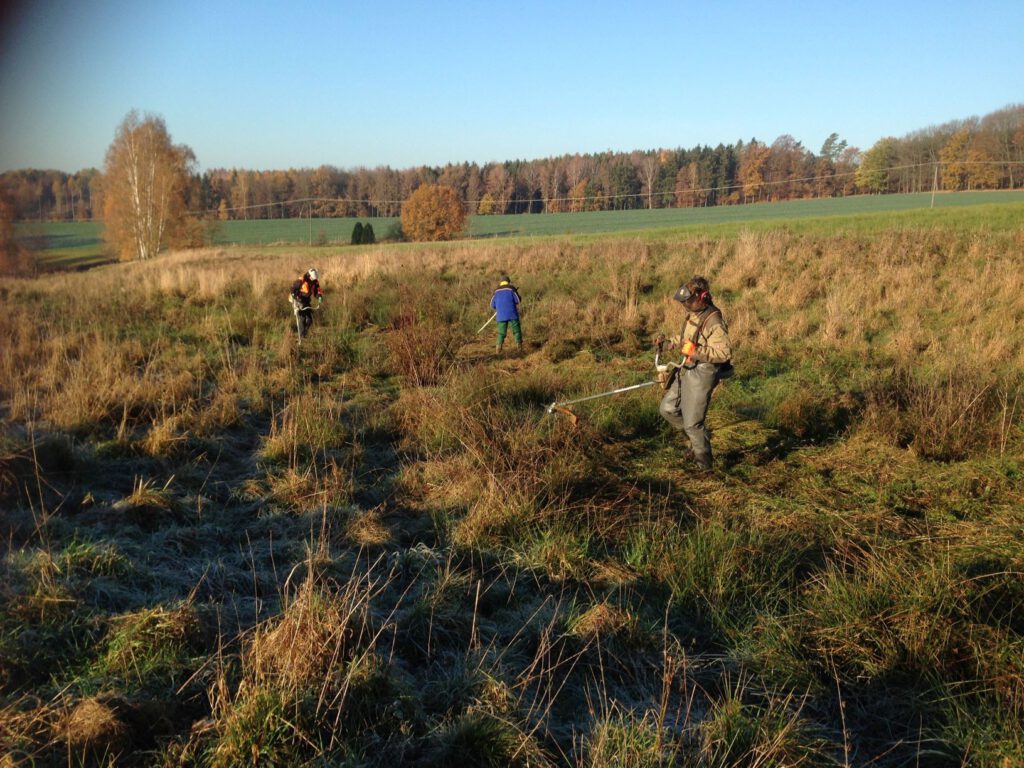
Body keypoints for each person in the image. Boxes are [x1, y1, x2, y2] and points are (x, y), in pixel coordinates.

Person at [656, 276, 732, 470]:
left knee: (693, 423)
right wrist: (668, 344)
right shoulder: (693, 313)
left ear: (702, 296)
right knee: (667, 409)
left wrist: (695, 352)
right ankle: (698, 439)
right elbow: (686, 339)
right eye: (684, 302)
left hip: (704, 372)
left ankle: (704, 463)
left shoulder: (713, 319)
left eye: (688, 301)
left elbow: (724, 353)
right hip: (687, 368)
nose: (685, 305)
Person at [490, 274, 522, 354]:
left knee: (501, 333)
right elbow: (518, 300)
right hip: (512, 314)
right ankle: (519, 348)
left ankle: (498, 349)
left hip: (501, 315)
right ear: (508, 282)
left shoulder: (496, 291)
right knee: (516, 331)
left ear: (501, 282)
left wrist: (499, 307)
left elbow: (492, 305)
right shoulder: (511, 289)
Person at [290, 267, 323, 342]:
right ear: (308, 275)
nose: (313, 279)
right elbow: (292, 290)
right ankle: (301, 337)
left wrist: (319, 297)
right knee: (302, 318)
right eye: (312, 278)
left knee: (310, 320)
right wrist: (296, 299)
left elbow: (317, 291)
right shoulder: (301, 281)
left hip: (307, 301)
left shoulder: (315, 281)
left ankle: (304, 334)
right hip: (299, 301)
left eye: (314, 278)